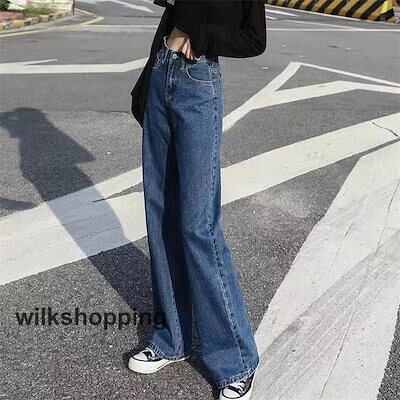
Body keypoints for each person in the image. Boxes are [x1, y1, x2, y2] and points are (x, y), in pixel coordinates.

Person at [128, 1, 266, 399]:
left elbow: (254, 39)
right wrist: (148, 77)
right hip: (162, 70)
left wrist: (204, 37)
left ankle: (236, 360)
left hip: (197, 80)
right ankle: (172, 338)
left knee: (197, 225)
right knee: (161, 216)